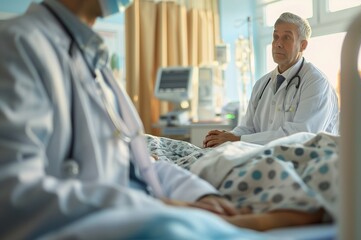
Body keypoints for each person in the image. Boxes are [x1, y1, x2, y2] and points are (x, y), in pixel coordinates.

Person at [0, 1, 267, 239]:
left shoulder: (94, 62)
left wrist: (201, 195)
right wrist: (159, 208)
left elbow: (142, 165)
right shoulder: (17, 43)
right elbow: (13, 195)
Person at [204, 12, 339, 147]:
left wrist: (237, 139)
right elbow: (247, 129)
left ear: (303, 45)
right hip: (266, 158)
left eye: (286, 37)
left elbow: (301, 136)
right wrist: (224, 138)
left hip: (306, 162)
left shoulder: (316, 82)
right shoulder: (262, 84)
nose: (278, 43)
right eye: (276, 37)